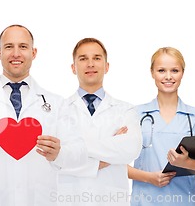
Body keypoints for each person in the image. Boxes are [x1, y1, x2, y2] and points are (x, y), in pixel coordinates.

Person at [0, 24, 86, 206]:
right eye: (9, 47)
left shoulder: (57, 103)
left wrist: (59, 154)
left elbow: (80, 153)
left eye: (23, 47)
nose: (16, 53)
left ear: (34, 53)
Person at [128, 47, 195, 206]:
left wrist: (187, 163)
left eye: (174, 70)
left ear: (182, 73)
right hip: (144, 202)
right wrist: (149, 178)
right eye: (161, 70)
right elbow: (112, 163)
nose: (168, 76)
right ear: (152, 72)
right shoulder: (134, 115)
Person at [56, 38, 142, 206]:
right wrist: (110, 152)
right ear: (73, 68)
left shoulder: (125, 110)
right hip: (70, 199)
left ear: (107, 66)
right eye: (83, 59)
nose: (90, 64)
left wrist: (72, 148)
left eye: (96, 58)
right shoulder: (58, 110)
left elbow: (132, 149)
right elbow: (54, 161)